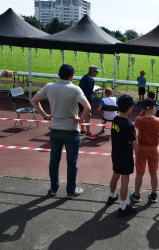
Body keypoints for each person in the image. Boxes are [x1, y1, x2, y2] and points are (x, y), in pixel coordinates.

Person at [31, 64, 91, 198]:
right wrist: (80, 120)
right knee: (72, 162)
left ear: (59, 74)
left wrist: (45, 115)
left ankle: (53, 189)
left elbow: (34, 100)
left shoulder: (49, 86)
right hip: (71, 130)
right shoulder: (75, 89)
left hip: (55, 129)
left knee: (54, 161)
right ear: (72, 76)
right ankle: (71, 190)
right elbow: (88, 108)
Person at [130, 98, 159, 204]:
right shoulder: (158, 121)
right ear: (152, 108)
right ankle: (154, 195)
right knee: (153, 173)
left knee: (139, 173)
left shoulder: (138, 119)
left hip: (141, 148)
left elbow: (137, 125)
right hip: (154, 148)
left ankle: (136, 194)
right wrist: (155, 135)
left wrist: (143, 113)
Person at [107, 94, 137, 217]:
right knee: (125, 181)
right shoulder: (129, 125)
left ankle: (112, 195)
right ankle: (123, 207)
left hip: (116, 153)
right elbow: (134, 143)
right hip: (126, 156)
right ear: (130, 108)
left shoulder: (115, 120)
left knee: (115, 175)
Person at [79, 65, 100, 139]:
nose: (97, 73)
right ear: (92, 71)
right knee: (87, 116)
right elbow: (89, 92)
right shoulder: (91, 79)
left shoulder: (84, 77)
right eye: (96, 72)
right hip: (86, 99)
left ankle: (82, 130)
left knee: (82, 114)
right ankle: (88, 132)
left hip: (80, 99)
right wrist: (93, 93)